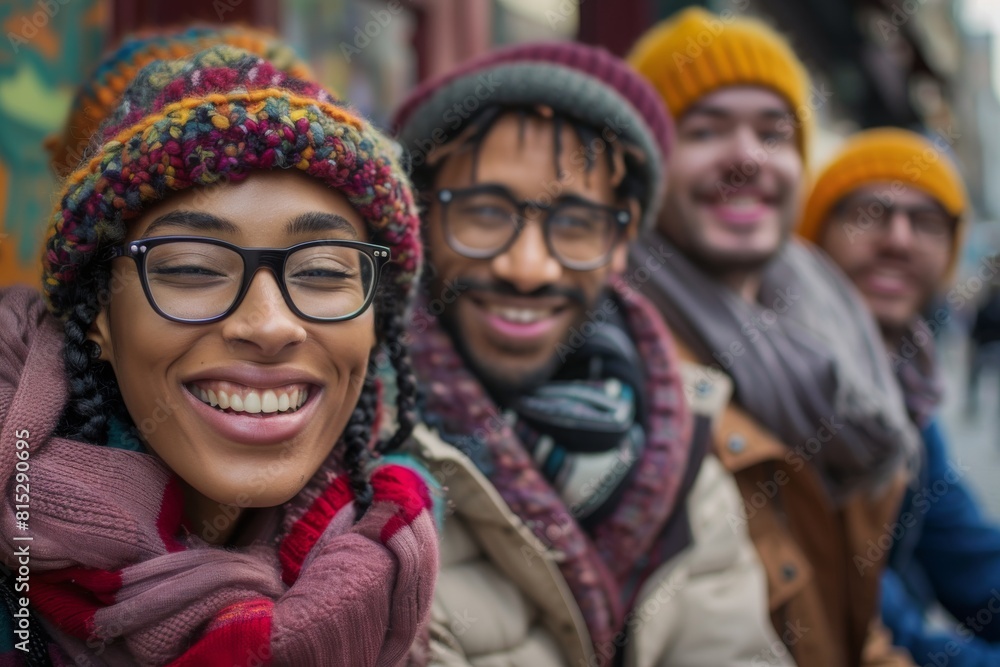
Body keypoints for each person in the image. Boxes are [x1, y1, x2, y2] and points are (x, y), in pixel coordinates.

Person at [0, 45, 437, 665]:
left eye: (320, 270)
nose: (269, 325)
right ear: (96, 316)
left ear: (374, 324)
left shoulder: (401, 560)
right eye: (193, 267)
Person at [394, 42, 789, 667]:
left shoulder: (684, 453)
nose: (527, 266)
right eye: (485, 213)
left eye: (575, 222)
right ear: (420, 219)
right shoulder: (362, 457)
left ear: (622, 238)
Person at [629, 9, 920, 666]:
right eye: (704, 129)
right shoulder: (622, 362)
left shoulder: (837, 327)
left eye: (774, 131)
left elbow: (851, 621)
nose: (746, 157)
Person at [801, 127, 1000, 666]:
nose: (899, 240)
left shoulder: (907, 397)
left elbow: (968, 555)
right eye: (869, 214)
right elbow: (877, 623)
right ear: (816, 235)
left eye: (928, 222)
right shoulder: (788, 390)